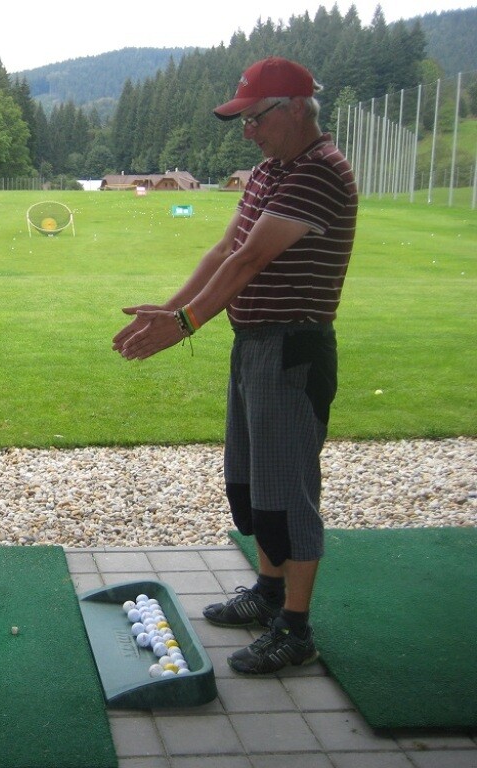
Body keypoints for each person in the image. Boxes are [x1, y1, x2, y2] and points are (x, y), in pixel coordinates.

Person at [112, 57, 357, 674]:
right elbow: (223, 248)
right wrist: (167, 312)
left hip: (292, 349)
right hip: (253, 344)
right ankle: (269, 593)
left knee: (289, 494)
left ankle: (295, 630)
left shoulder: (320, 173)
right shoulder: (272, 172)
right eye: (243, 120)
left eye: (256, 117)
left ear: (296, 108)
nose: (247, 131)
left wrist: (185, 326)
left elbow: (248, 260)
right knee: (252, 484)